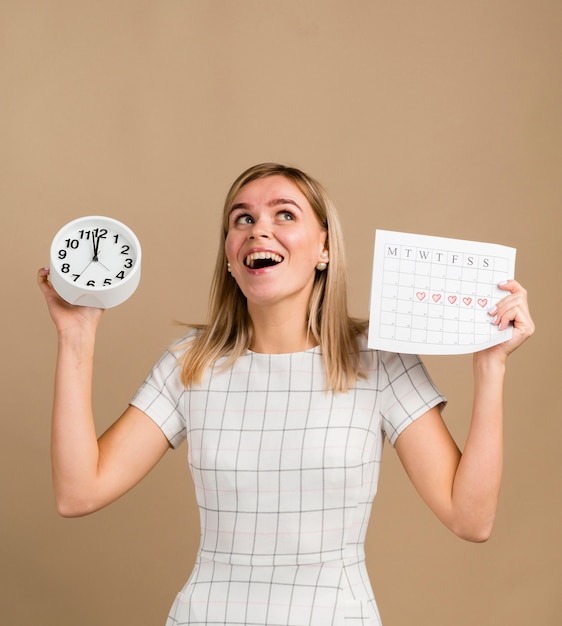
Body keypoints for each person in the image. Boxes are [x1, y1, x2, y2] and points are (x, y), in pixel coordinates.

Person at [37, 162, 535, 625]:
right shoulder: (190, 362)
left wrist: (491, 369)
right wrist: (75, 334)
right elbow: (79, 492)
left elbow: (470, 520)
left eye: (284, 214)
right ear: (230, 256)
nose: (259, 229)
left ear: (324, 248)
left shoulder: (379, 360)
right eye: (242, 219)